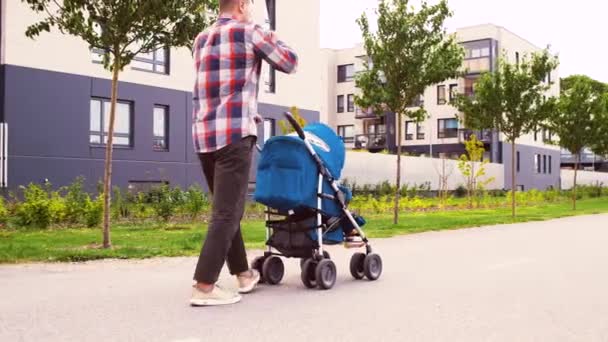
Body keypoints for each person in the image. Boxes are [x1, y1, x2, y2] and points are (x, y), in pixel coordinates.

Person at [189, 0, 298, 306]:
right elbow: (290, 61)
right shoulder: (251, 32)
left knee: (228, 208)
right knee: (226, 212)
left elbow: (218, 89)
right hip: (234, 136)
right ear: (240, 4)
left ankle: (244, 275)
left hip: (204, 135)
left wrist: (250, 114)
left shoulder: (200, 39)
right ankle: (204, 287)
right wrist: (266, 29)